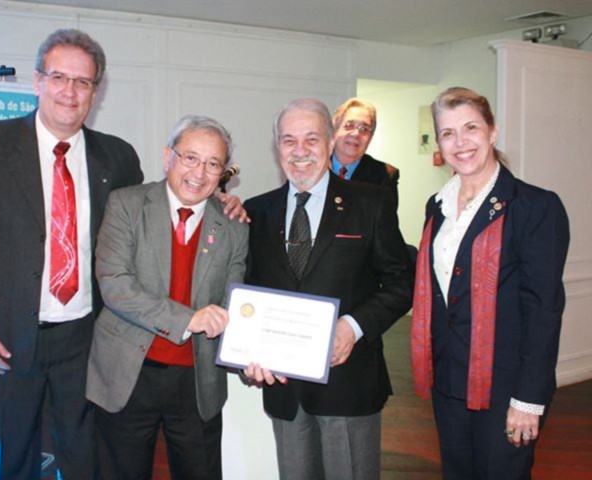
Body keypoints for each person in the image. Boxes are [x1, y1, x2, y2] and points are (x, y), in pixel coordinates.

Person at [0, 28, 143, 479]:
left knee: (83, 457)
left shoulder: (118, 158)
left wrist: (216, 203)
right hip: (7, 338)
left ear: (95, 91)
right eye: (59, 77)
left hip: (86, 339)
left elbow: (147, 224)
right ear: (37, 82)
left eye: (82, 81)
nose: (69, 91)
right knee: (14, 459)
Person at [243, 98, 414, 480]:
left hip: (348, 384)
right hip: (284, 388)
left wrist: (352, 327)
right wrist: (249, 354)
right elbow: (250, 290)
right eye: (289, 140)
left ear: (330, 141)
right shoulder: (257, 212)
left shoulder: (371, 203)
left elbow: (402, 283)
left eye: (311, 139)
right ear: (277, 146)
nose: (300, 151)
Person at [411, 87, 570, 479]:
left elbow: (544, 310)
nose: (460, 142)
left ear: (492, 131)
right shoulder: (437, 206)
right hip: (449, 381)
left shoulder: (534, 207)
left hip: (506, 387)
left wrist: (528, 398)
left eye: (471, 128)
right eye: (448, 133)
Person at [86, 115, 248, 480]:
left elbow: (233, 302)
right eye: (190, 157)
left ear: (223, 172)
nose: (199, 173)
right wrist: (188, 319)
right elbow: (114, 284)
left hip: (197, 381)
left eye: (213, 164)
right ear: (167, 157)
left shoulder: (234, 225)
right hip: (127, 374)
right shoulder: (125, 204)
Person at [331, 98, 400, 208]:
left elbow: (387, 218)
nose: (356, 134)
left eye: (365, 129)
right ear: (334, 130)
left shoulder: (384, 176)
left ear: (370, 137)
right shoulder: (314, 166)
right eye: (349, 125)